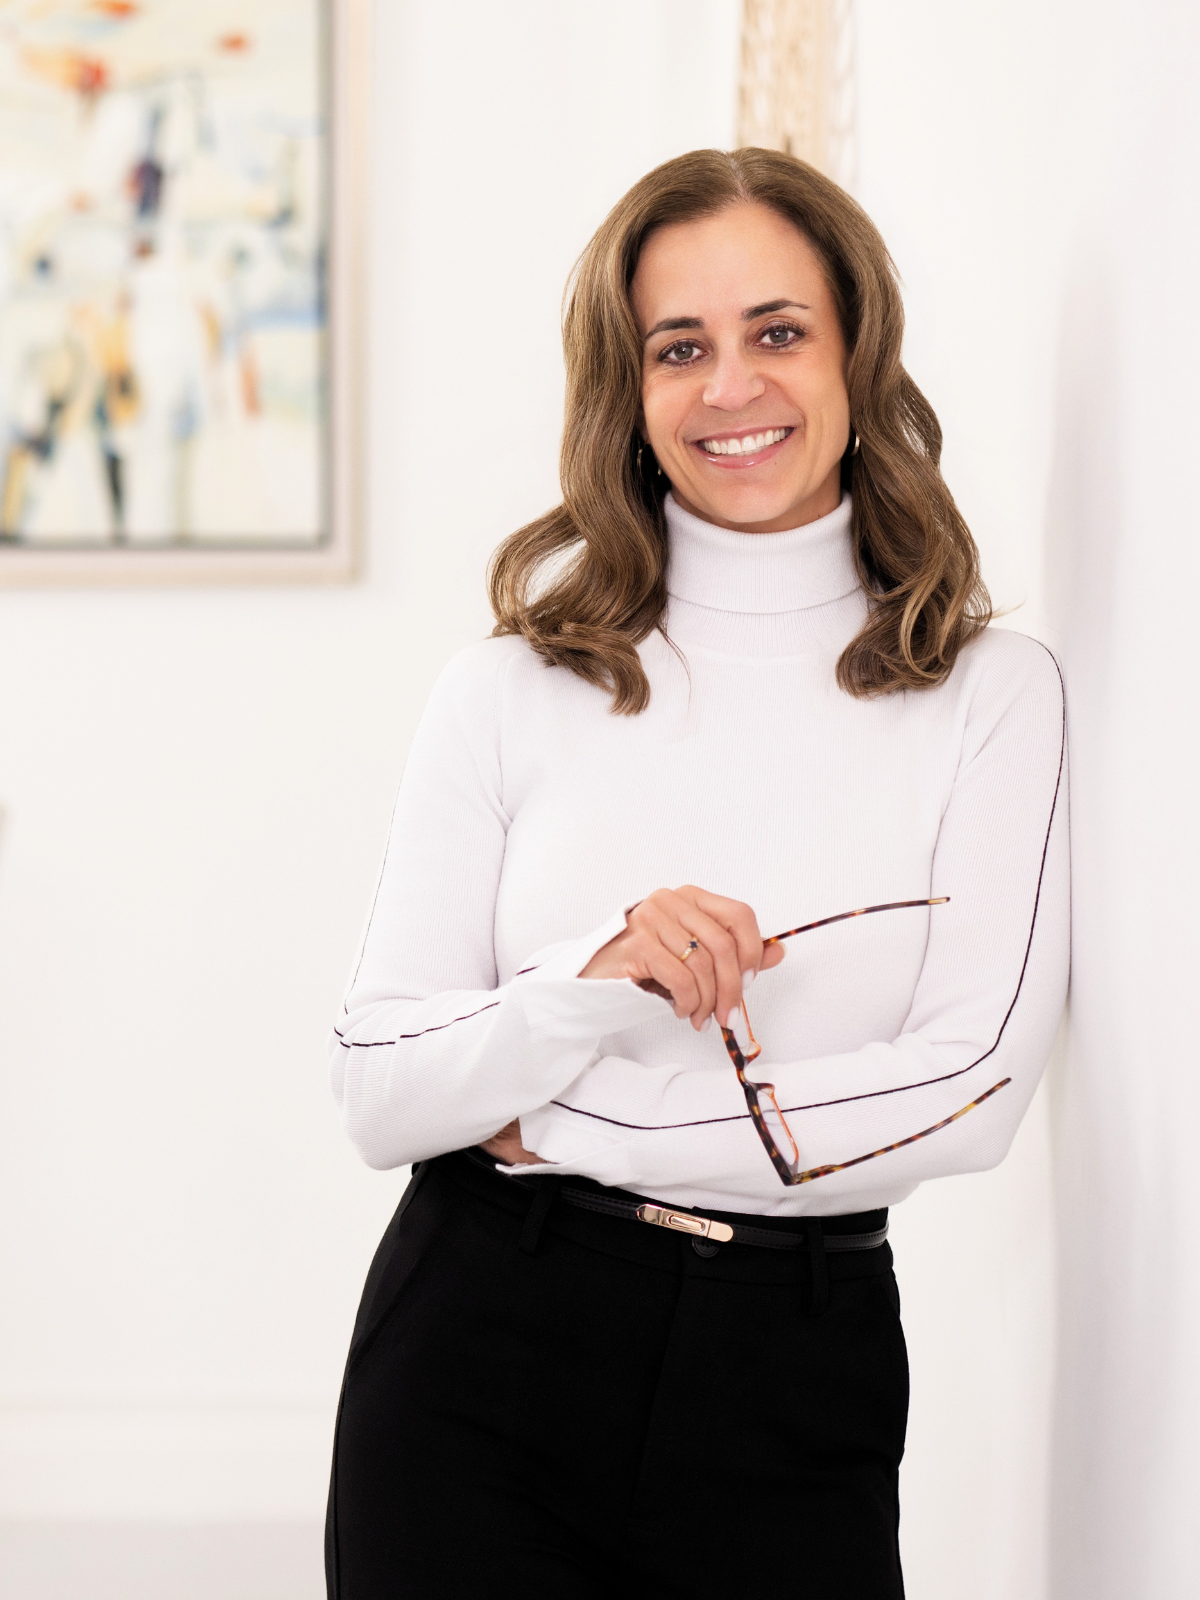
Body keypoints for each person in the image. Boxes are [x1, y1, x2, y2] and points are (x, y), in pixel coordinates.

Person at [324, 148, 1068, 1599]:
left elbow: (969, 1087)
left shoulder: (988, 692)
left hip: (792, 1370)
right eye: (680, 348)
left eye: (777, 331)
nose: (732, 387)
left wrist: (572, 1113)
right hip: (481, 1351)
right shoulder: (512, 690)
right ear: (631, 387)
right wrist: (583, 983)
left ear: (858, 354)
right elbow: (377, 1087)